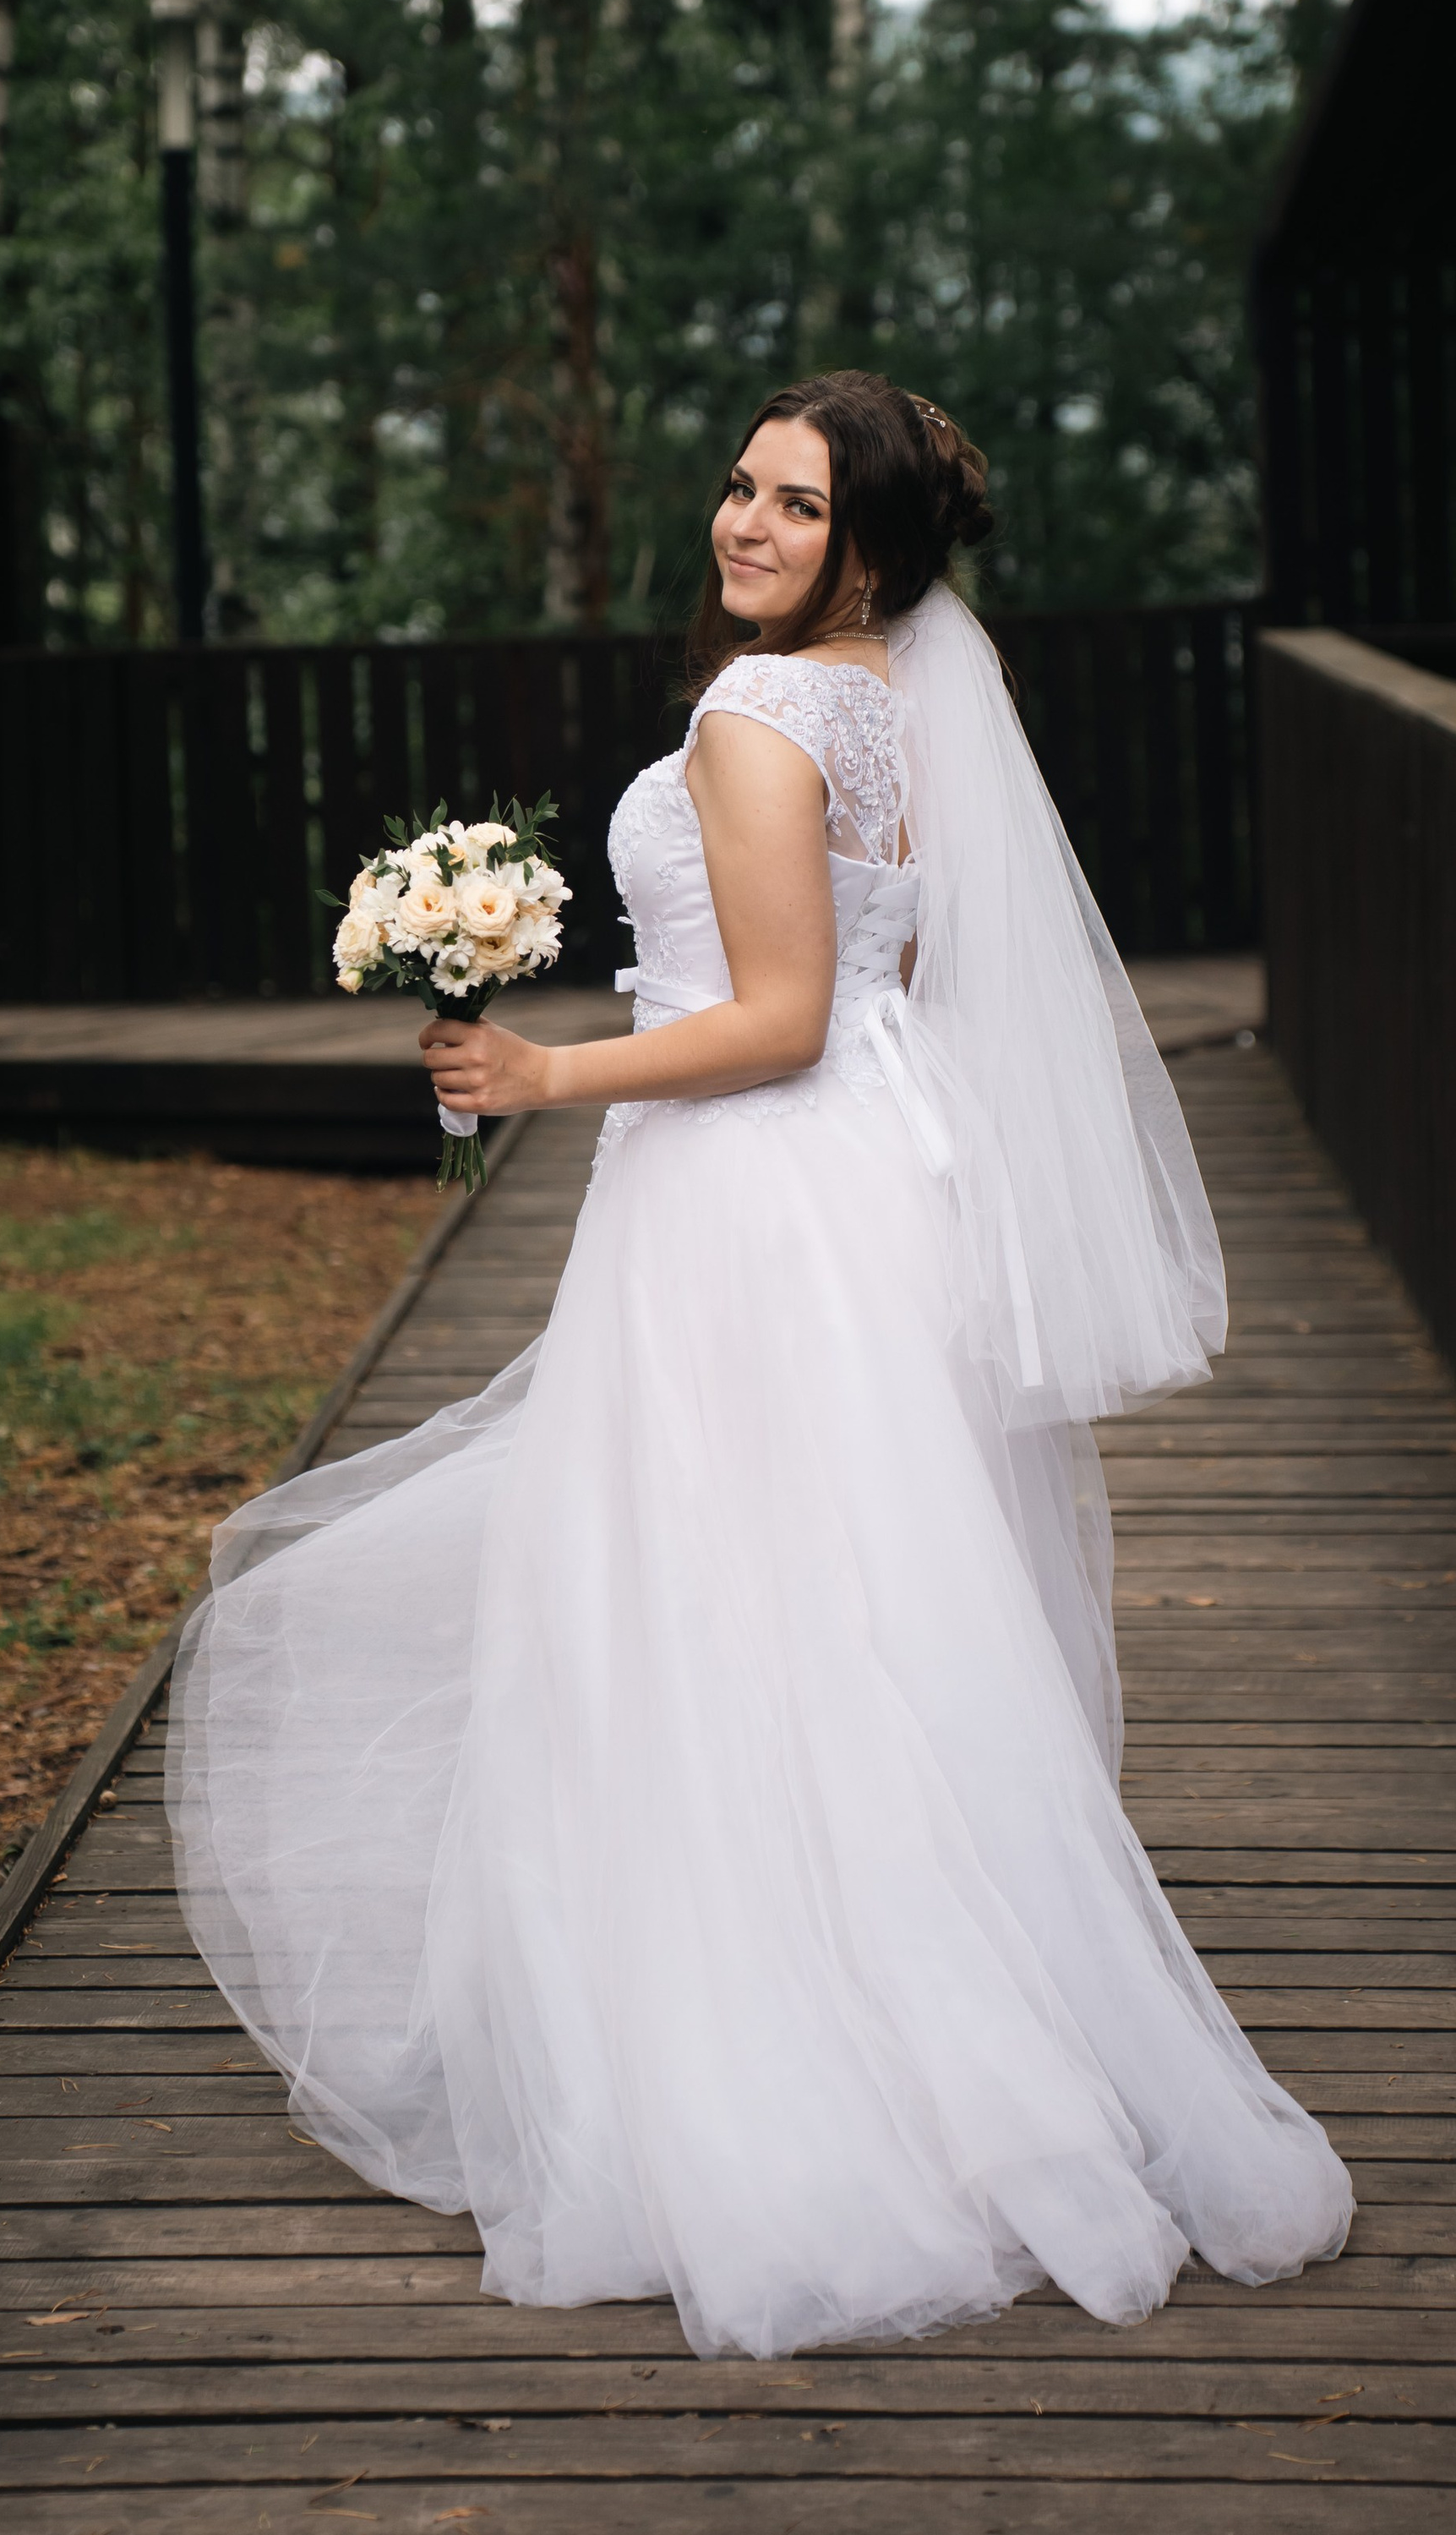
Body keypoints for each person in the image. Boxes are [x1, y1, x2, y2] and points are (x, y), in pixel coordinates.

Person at [167, 369, 1353, 2361]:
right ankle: (919, 2027)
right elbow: (868, 985)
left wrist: (546, 1069)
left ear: (864, 548)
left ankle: (755, 2072)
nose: (742, 525)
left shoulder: (750, 711)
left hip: (744, 1203)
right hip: (872, 1188)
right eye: (737, 487)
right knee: (860, 1616)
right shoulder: (895, 703)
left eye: (794, 508)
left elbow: (786, 1013)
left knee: (707, 1607)